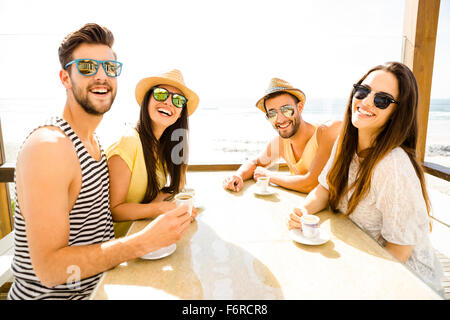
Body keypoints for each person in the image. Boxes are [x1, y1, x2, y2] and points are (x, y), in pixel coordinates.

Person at [9, 23, 191, 300]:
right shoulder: (49, 147)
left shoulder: (93, 144)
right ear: (65, 78)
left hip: (103, 285)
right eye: (86, 67)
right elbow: (49, 269)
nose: (101, 76)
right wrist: (143, 241)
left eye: (110, 68)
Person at [287, 62, 444, 294]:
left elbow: (399, 252)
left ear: (396, 114)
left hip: (407, 283)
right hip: (362, 259)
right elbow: (325, 188)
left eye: (382, 100)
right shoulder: (345, 142)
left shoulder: (392, 165)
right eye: (363, 91)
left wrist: (357, 286)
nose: (367, 101)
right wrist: (303, 211)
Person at [106, 69, 199, 235]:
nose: (169, 103)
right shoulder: (128, 142)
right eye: (161, 94)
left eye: (178, 100)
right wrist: (161, 208)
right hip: (120, 244)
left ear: (180, 114)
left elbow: (176, 186)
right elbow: (114, 210)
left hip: (145, 235)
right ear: (146, 100)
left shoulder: (162, 147)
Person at [223, 77, 341, 193]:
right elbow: (255, 163)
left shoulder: (325, 133)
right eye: (272, 113)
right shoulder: (280, 143)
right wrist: (238, 175)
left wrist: (269, 175)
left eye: (286, 109)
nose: (280, 119)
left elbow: (312, 184)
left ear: (299, 108)